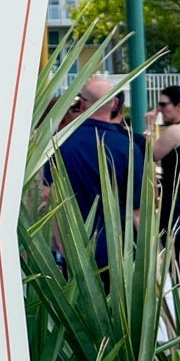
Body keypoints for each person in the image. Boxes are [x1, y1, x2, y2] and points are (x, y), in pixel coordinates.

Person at [56, 77, 144, 268]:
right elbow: (137, 209)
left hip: (74, 245)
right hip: (120, 250)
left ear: (82, 103)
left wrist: (61, 246)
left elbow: (50, 197)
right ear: (114, 103)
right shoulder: (128, 147)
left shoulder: (61, 143)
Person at [149, 85, 180, 238]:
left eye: (163, 104)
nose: (160, 109)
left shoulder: (175, 131)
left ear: (179, 106)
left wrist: (149, 127)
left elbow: (149, 156)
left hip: (175, 203)